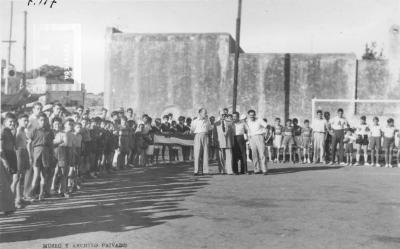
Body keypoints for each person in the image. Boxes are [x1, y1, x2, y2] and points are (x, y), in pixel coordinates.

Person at [27, 113, 54, 201]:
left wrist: (52, 154)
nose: (43, 122)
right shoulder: (34, 130)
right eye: (41, 120)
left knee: (44, 175)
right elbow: (29, 143)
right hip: (36, 152)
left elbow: (51, 144)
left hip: (46, 153)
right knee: (36, 175)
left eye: (45, 120)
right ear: (38, 121)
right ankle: (32, 194)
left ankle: (41, 194)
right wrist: (30, 155)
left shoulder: (49, 131)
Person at [51, 117, 69, 197]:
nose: (57, 125)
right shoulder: (51, 133)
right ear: (52, 125)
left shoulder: (63, 133)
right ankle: (52, 189)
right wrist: (59, 142)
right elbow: (50, 143)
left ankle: (63, 190)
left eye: (59, 124)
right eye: (55, 124)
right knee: (53, 172)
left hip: (62, 154)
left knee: (63, 172)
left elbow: (65, 143)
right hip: (52, 154)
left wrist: (56, 143)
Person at [14, 114, 30, 208]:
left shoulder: (24, 131)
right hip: (18, 153)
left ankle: (19, 197)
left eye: (27, 120)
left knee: (22, 177)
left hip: (24, 152)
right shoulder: (16, 130)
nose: (26, 122)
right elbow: (15, 145)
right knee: (17, 177)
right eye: (24, 120)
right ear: (19, 120)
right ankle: (15, 201)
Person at [190, 108, 212, 175]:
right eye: (204, 113)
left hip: (205, 136)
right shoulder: (195, 121)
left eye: (206, 113)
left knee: (205, 153)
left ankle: (205, 171)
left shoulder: (207, 121)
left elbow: (209, 129)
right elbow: (192, 130)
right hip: (197, 136)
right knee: (197, 154)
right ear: (200, 113)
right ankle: (196, 171)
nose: (205, 114)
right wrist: (197, 136)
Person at [246, 110, 268, 174]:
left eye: (253, 115)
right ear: (249, 115)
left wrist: (266, 136)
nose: (252, 116)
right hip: (251, 138)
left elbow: (267, 127)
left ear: (255, 114)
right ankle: (256, 169)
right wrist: (248, 140)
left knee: (262, 153)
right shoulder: (247, 121)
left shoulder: (259, 120)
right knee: (254, 154)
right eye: (250, 115)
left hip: (259, 137)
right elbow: (247, 131)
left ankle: (264, 169)